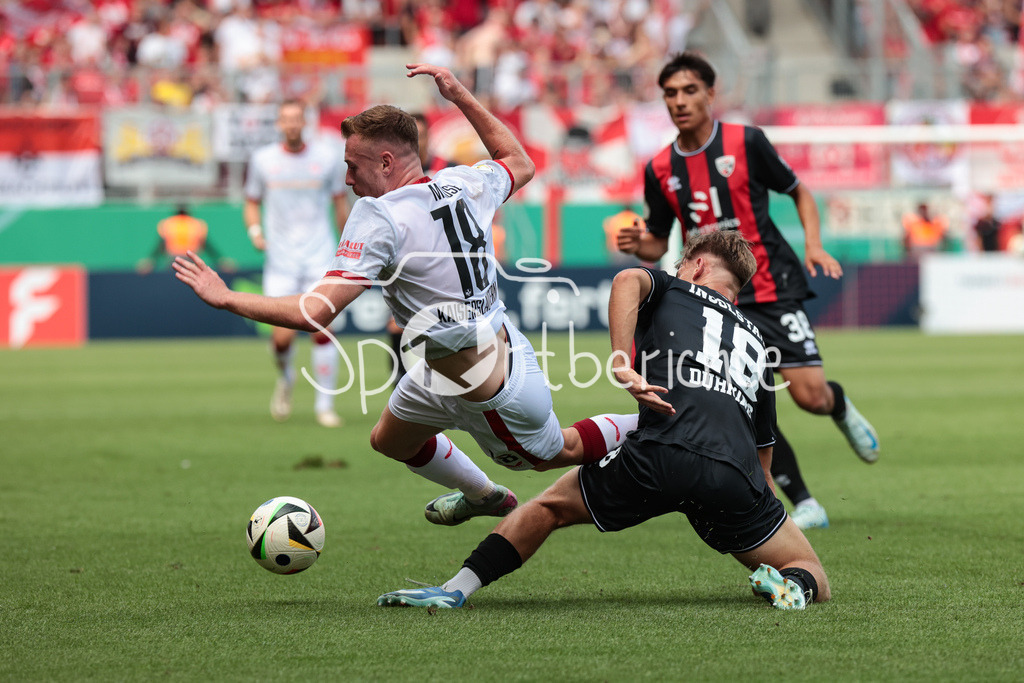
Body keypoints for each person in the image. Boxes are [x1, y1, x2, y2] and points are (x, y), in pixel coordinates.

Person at [175, 64, 637, 527]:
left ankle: (659, 424)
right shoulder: (464, 181)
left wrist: (227, 297)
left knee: (561, 451)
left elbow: (313, 312)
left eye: (352, 167)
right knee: (390, 440)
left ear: (386, 163)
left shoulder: (378, 214)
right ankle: (483, 496)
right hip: (458, 360)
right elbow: (520, 162)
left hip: (492, 388)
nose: (348, 180)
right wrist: (460, 95)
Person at [377, 231, 830, 611]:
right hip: (734, 472)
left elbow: (629, 277)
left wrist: (620, 360)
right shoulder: (755, 340)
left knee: (547, 507)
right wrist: (764, 505)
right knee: (813, 573)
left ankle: (455, 591)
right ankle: (791, 588)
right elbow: (764, 447)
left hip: (662, 452)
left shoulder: (674, 288)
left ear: (695, 266)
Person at [617, 51, 879, 531]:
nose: (680, 101)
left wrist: (815, 245)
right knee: (743, 394)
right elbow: (657, 237)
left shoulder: (747, 141)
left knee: (809, 396)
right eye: (670, 93)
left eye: (689, 90)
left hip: (772, 283)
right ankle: (803, 501)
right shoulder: (659, 168)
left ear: (711, 94)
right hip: (714, 299)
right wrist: (642, 242)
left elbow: (798, 190)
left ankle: (837, 405)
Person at [243, 99, 350, 428]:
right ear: (278, 123)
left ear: (305, 122)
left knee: (322, 329)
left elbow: (339, 202)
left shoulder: (327, 157)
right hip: (281, 261)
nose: (291, 124)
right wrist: (255, 231)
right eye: (285, 119)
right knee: (282, 339)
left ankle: (324, 406)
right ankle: (286, 379)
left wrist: (348, 245)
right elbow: (251, 201)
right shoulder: (263, 160)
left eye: (296, 118)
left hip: (319, 255)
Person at [387, 112, 461, 385]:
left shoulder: (448, 168)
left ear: (429, 137)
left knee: (449, 330)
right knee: (397, 325)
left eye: (420, 135)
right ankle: (400, 382)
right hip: (409, 261)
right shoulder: (394, 175)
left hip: (448, 263)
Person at [136, 204, 233, 274]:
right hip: (191, 257)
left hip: (174, 259)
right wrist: (220, 260)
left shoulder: (168, 223)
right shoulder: (196, 223)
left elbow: (160, 246)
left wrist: (150, 261)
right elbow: (207, 246)